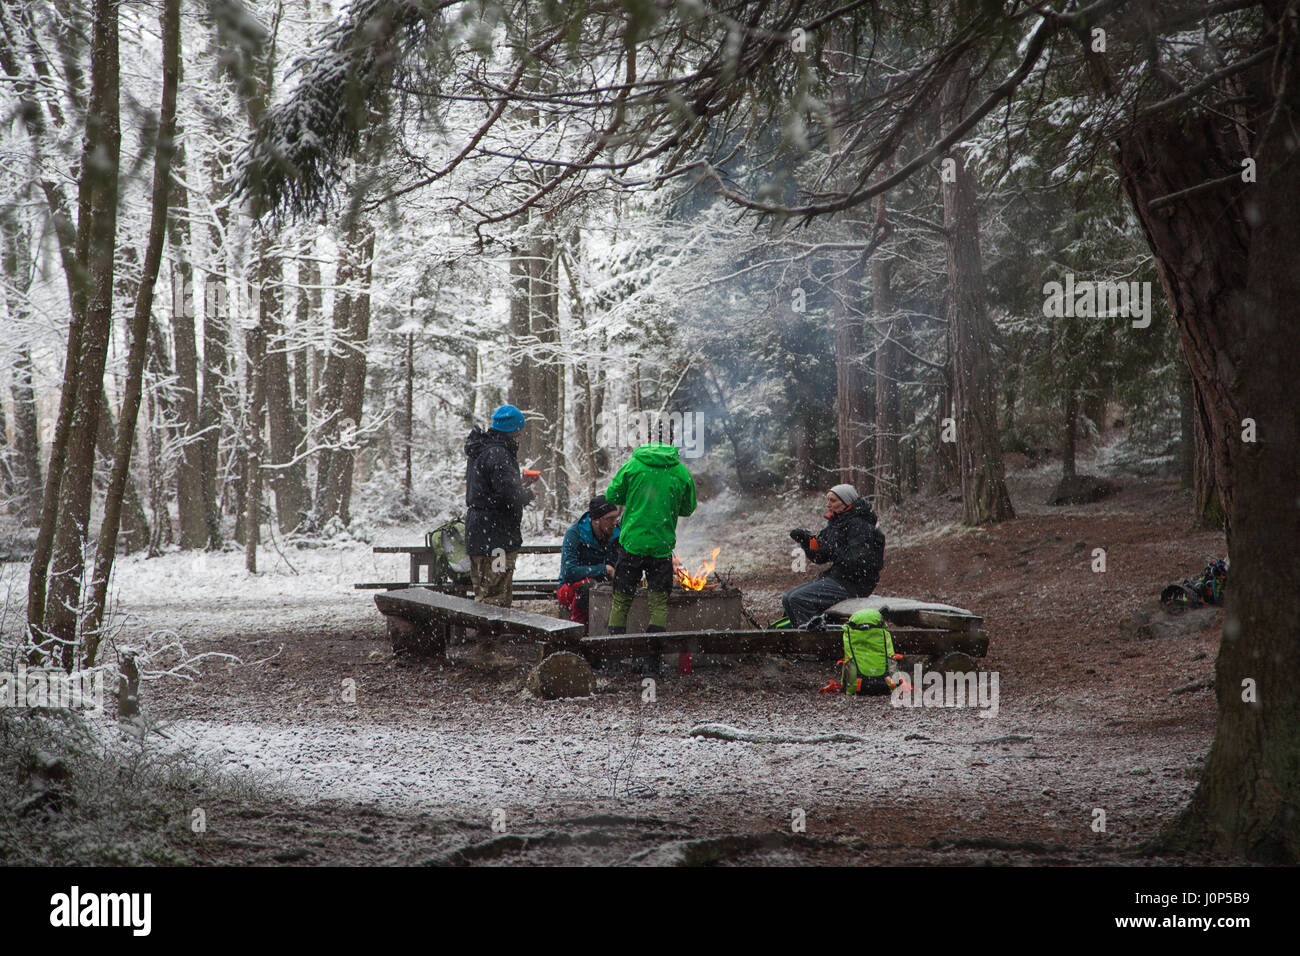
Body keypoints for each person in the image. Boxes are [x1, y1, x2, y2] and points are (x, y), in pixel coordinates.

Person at [604, 441, 697, 674]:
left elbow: (612, 494)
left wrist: (635, 498)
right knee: (658, 603)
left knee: (621, 599)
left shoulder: (633, 465)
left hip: (632, 544)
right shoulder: (680, 472)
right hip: (661, 546)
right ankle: (651, 663)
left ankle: (614, 661)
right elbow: (688, 508)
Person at [463, 403, 539, 665]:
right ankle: (487, 653)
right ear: (514, 429)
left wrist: (517, 485)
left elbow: (493, 490)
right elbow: (508, 496)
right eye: (520, 429)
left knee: (483, 590)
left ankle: (487, 649)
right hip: (495, 537)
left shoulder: (482, 450)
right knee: (494, 593)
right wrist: (526, 493)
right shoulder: (499, 454)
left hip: (480, 532)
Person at [779, 483, 885, 627]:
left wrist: (830, 548)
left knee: (798, 599)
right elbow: (819, 557)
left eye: (833, 500)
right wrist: (806, 541)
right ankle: (804, 635)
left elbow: (857, 562)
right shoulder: (836, 522)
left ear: (847, 502)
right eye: (827, 500)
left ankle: (813, 640)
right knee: (787, 598)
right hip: (838, 578)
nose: (828, 504)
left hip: (855, 584)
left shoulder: (860, 525)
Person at [557, 496, 622, 626]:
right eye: (610, 519)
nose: (615, 522)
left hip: (606, 586)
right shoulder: (575, 534)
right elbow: (569, 572)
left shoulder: (618, 534)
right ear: (596, 520)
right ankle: (579, 630)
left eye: (616, 517)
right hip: (571, 588)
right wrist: (604, 569)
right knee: (587, 588)